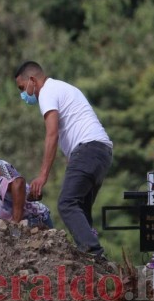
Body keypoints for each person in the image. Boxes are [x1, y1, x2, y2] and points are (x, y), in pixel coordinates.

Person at [14, 61, 113, 259]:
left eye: (22, 88)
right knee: (81, 210)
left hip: (88, 150)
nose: (23, 94)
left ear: (32, 80)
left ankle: (94, 254)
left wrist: (42, 176)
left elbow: (52, 134)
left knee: (66, 204)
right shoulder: (63, 88)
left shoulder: (47, 92)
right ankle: (93, 265)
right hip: (101, 152)